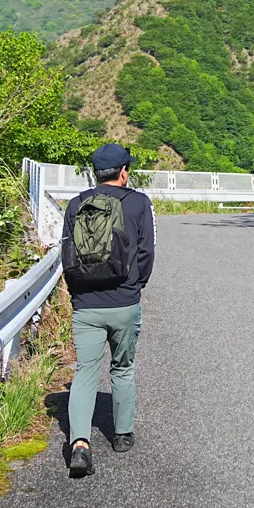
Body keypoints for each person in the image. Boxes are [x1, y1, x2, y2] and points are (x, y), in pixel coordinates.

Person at [61, 142, 156, 479]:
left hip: (86, 305)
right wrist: (135, 287)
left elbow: (67, 255)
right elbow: (146, 254)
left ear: (95, 173)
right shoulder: (139, 203)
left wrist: (77, 294)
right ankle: (122, 435)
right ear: (123, 171)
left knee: (85, 372)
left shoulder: (76, 204)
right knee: (122, 368)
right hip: (125, 303)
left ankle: (80, 445)